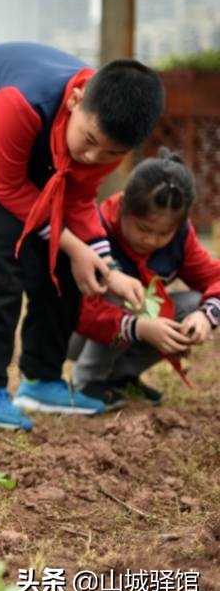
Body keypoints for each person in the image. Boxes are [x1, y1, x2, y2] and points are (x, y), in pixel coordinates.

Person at [0, 42, 164, 429]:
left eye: (109, 154)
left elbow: (80, 199)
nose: (92, 158)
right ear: (74, 99)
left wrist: (106, 265)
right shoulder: (21, 101)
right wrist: (74, 246)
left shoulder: (105, 138)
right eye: (88, 141)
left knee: (63, 258)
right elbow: (7, 189)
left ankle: (41, 378)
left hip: (35, 139)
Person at [70, 152, 220, 408]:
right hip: (75, 331)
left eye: (164, 233)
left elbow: (214, 278)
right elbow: (83, 309)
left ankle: (120, 377)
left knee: (194, 304)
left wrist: (206, 315)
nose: (151, 241)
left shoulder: (181, 239)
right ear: (124, 207)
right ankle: (86, 382)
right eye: (144, 229)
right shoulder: (97, 229)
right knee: (126, 291)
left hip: (128, 326)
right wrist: (138, 327)